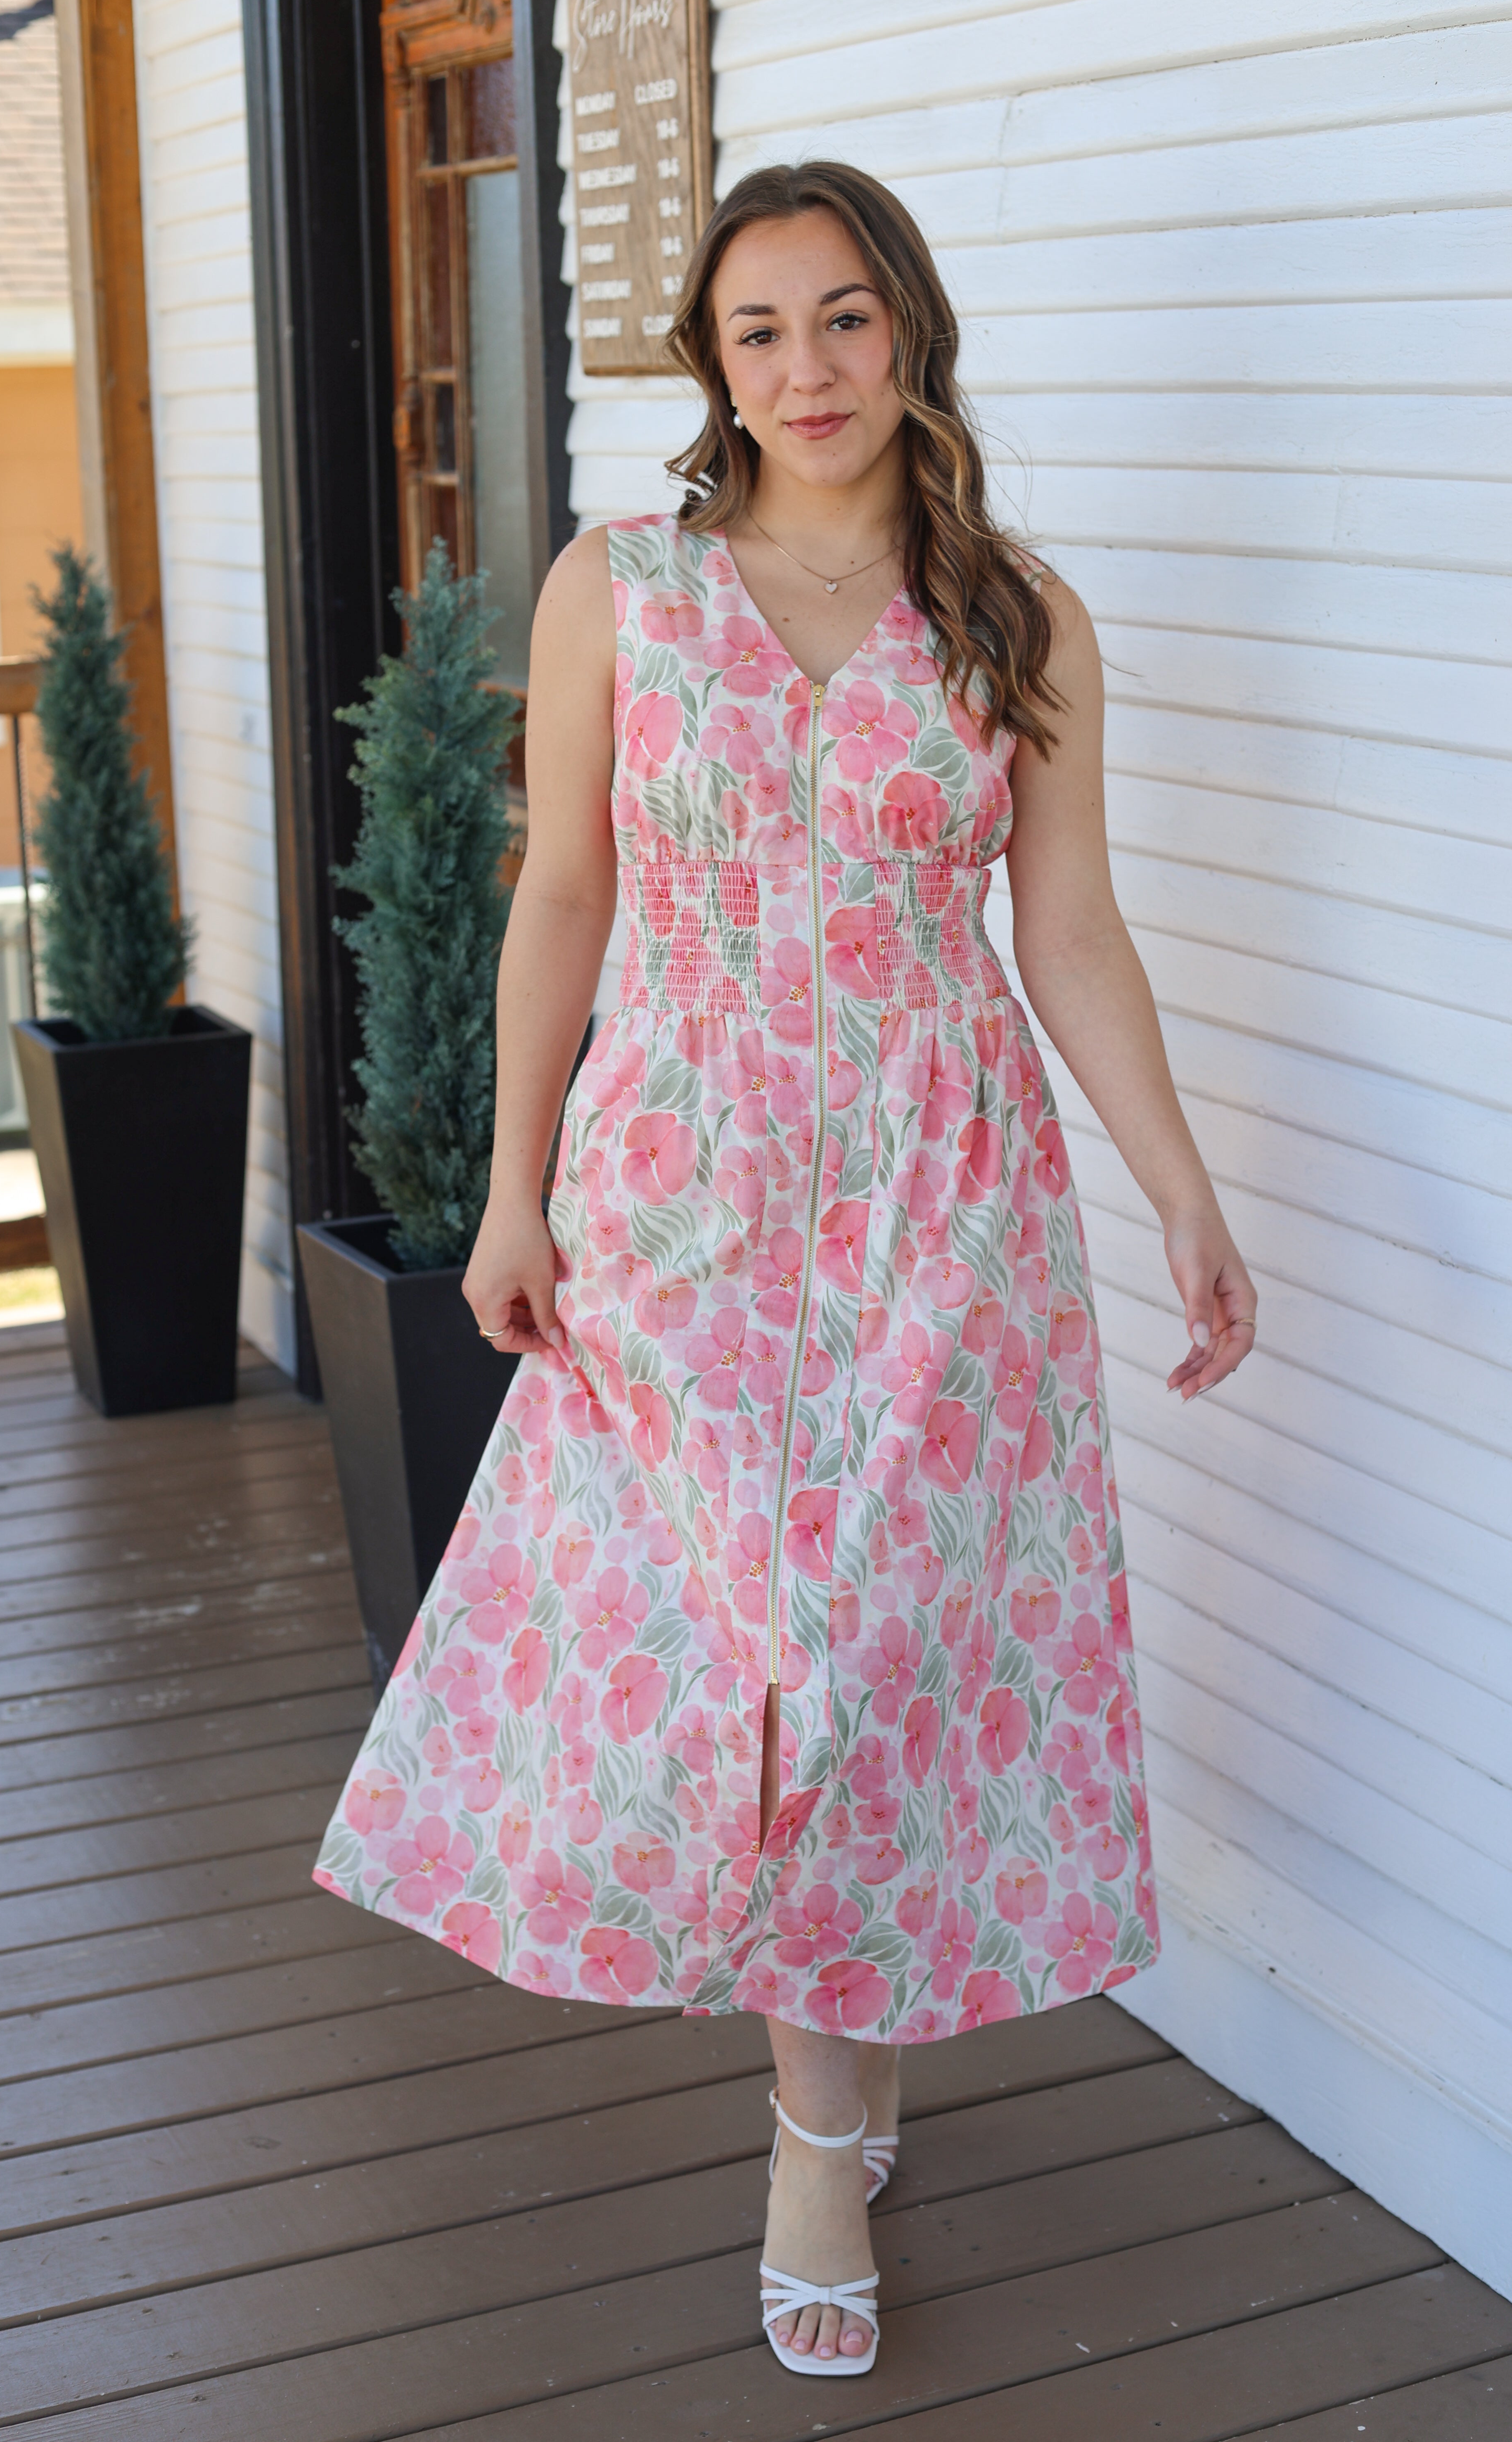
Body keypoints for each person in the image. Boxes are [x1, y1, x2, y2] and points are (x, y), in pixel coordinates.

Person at [314, 159, 1256, 2381]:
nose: (808, 367)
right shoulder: (622, 588)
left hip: (946, 1197)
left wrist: (1184, 1193)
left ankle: (830, 2096)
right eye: (760, 329)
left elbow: (1071, 932)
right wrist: (515, 1187)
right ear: (713, 363)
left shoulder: (1018, 619)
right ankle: (830, 2112)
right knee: (768, 1657)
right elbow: (564, 895)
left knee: (881, 1652)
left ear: (908, 328)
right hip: (684, 1195)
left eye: (845, 317)